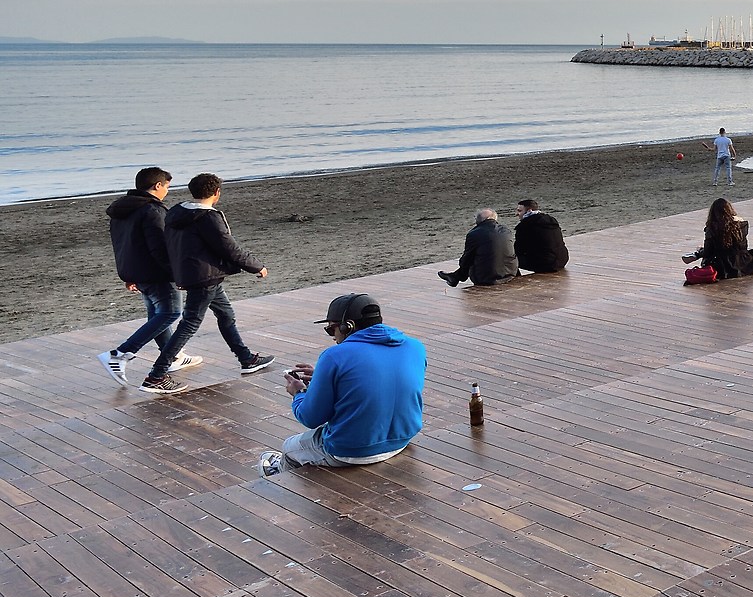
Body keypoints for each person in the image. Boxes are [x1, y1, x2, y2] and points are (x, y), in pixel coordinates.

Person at [141, 174, 275, 396]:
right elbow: (228, 247)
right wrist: (257, 266)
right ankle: (156, 375)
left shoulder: (176, 211)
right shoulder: (207, 217)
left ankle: (246, 358)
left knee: (226, 315)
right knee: (190, 323)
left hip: (200, 275)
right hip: (204, 277)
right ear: (216, 193)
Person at [276, 293, 424, 468]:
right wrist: (323, 377)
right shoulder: (415, 346)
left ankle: (280, 478)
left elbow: (310, 418)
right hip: (401, 440)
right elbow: (379, 379)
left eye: (331, 329)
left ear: (348, 326)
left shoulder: (334, 356)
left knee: (289, 448)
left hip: (350, 450)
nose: (332, 336)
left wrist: (299, 393)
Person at [100, 166, 198, 385]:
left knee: (157, 315)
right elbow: (161, 248)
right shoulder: (152, 210)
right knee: (170, 313)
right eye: (167, 187)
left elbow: (122, 245)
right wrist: (178, 274)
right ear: (157, 185)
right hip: (156, 274)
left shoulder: (122, 211)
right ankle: (121, 353)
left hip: (137, 272)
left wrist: (129, 275)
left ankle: (172, 356)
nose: (167, 192)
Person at [440, 209, 520, 288]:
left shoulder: (474, 234)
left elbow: (466, 259)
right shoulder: (506, 230)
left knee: (471, 258)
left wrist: (462, 268)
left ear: (478, 220)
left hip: (486, 278)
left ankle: (456, 277)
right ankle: (455, 277)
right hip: (511, 273)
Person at [687, 197, 753, 278]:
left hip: (724, 267)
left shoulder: (713, 228)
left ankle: (696, 254)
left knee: (708, 256)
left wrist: (700, 251)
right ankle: (697, 254)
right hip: (744, 264)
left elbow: (708, 251)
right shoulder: (742, 225)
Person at [512, 199, 569, 274]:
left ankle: (516, 279)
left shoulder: (525, 226)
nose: (517, 214)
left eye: (519, 211)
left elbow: (518, 249)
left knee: (509, 259)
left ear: (529, 211)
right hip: (562, 259)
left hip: (545, 264)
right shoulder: (551, 220)